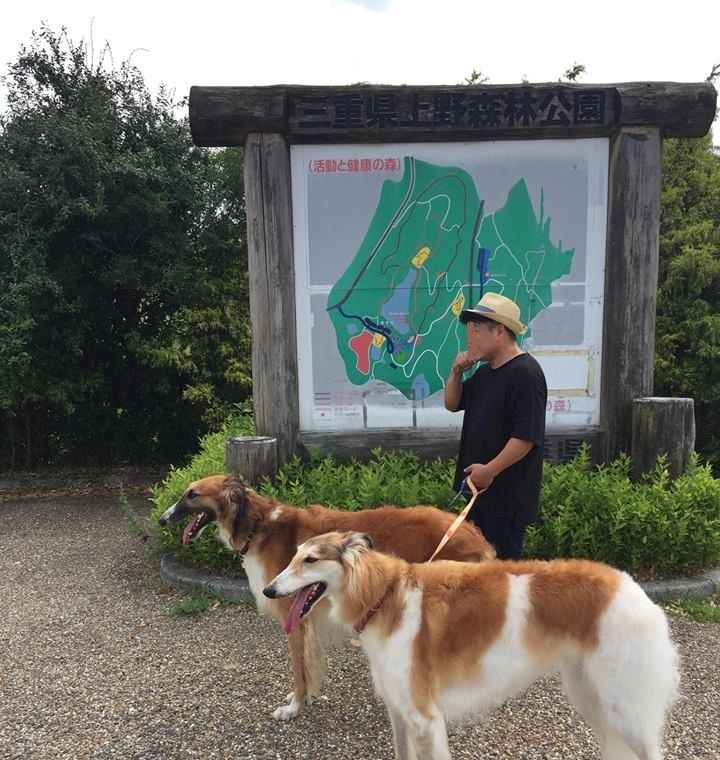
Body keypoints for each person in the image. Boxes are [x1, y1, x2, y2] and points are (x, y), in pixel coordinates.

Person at [444, 292, 547, 560]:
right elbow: (452, 403)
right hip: (477, 491)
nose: (471, 340)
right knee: (475, 568)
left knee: (501, 573)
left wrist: (489, 471)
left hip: (505, 497)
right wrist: (456, 372)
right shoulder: (484, 372)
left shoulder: (526, 374)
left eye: (477, 332)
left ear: (499, 331)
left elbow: (525, 437)